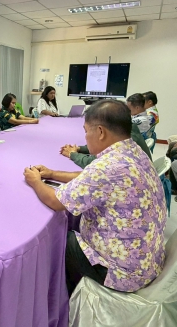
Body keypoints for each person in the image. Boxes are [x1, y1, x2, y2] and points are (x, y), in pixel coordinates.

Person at [23, 100, 167, 296]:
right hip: (145, 261)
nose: (85, 137)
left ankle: (60, 301)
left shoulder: (108, 166)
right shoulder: (132, 151)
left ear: (100, 132)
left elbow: (56, 202)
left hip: (123, 273)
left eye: (86, 131)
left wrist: (35, 181)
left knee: (59, 239)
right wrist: (52, 173)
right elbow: (90, 179)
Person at [60, 121, 152, 168]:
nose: (86, 135)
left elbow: (91, 163)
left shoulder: (116, 155)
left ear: (101, 131)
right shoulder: (126, 132)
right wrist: (79, 149)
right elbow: (102, 146)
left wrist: (72, 154)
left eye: (86, 131)